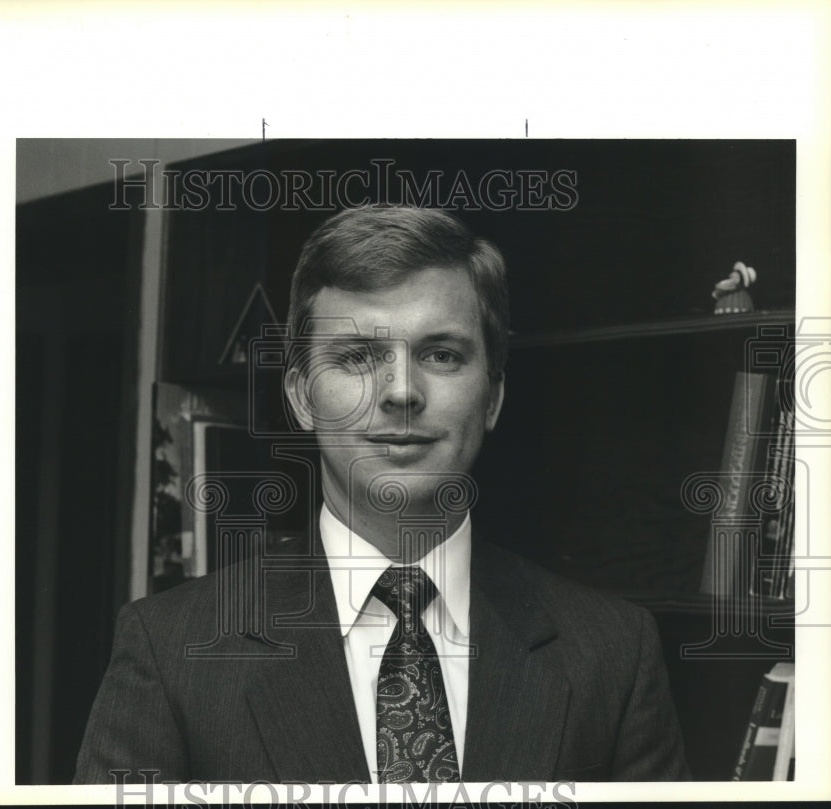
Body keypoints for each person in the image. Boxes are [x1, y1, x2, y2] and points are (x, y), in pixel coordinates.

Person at [74, 205, 691, 784]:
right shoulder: (171, 649)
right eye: (359, 357)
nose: (400, 392)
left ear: (493, 396)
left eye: (441, 354)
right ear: (301, 396)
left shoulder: (614, 653)